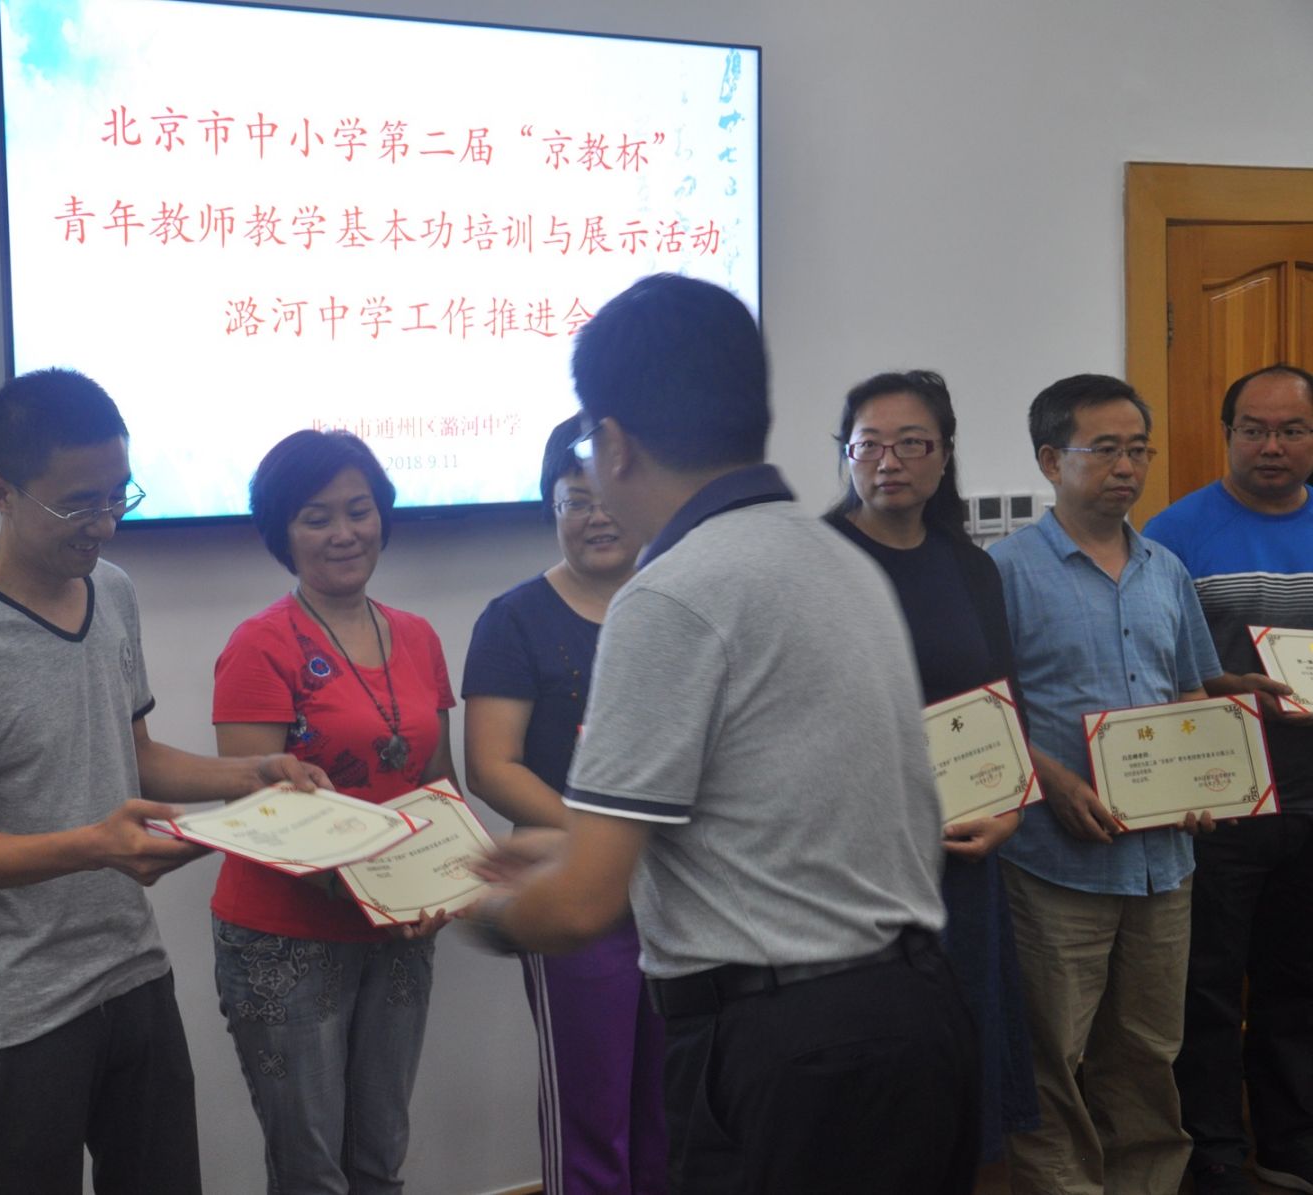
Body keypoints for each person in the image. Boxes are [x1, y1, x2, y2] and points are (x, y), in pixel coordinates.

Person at [467, 274, 978, 1195]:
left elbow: (581, 906)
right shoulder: (838, 556)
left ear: (614, 443)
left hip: (789, 1053)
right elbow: (762, 827)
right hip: (918, 1016)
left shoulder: (670, 594)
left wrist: (476, 908)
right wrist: (572, 852)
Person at [0, 369, 327, 1195]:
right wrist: (97, 845)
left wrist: (251, 774)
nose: (105, 522)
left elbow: (135, 755)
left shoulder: (112, 592)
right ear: (0, 491)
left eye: (118, 494)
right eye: (78, 504)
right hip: (26, 1010)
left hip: (135, 974)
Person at [987, 373, 1225, 1195]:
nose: (1127, 467)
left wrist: (1207, 778)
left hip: (1164, 865)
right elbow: (983, 715)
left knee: (1149, 1054)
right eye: (1106, 450)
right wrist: (1049, 778)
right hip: (1057, 863)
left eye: (1138, 450)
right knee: (1052, 1059)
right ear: (1052, 460)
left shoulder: (1166, 569)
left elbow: (1190, 693)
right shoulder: (1003, 572)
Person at [209, 429, 457, 1195]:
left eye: (359, 509)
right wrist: (376, 889)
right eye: (316, 517)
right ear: (283, 532)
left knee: (380, 1157)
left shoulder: (419, 636)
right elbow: (254, 808)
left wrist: (445, 885)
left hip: (400, 930)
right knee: (311, 1172)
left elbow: (438, 782)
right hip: (286, 937)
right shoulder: (259, 645)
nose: (344, 532)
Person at [824, 369, 1040, 1167]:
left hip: (962, 856)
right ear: (845, 455)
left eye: (912, 443)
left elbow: (1004, 703)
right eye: (868, 445)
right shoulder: (816, 562)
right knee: (871, 1077)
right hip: (852, 863)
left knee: (962, 1056)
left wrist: (1011, 810)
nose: (889, 461)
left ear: (945, 455)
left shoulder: (970, 565)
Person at [461, 417, 666, 1195]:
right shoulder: (515, 618)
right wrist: (601, 842)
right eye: (576, 500)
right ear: (551, 507)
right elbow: (492, 765)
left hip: (679, 891)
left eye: (608, 497)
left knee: (673, 1105)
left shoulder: (676, 605)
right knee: (591, 1113)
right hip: (572, 891)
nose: (597, 516)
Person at [1145, 363, 1313, 1194]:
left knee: (1298, 980)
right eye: (1253, 429)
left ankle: (1289, 1141)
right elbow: (1155, 665)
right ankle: (1212, 1146)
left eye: (1291, 429)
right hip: (1220, 798)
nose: (1271, 446)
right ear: (1227, 435)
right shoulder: (1174, 534)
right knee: (1206, 985)